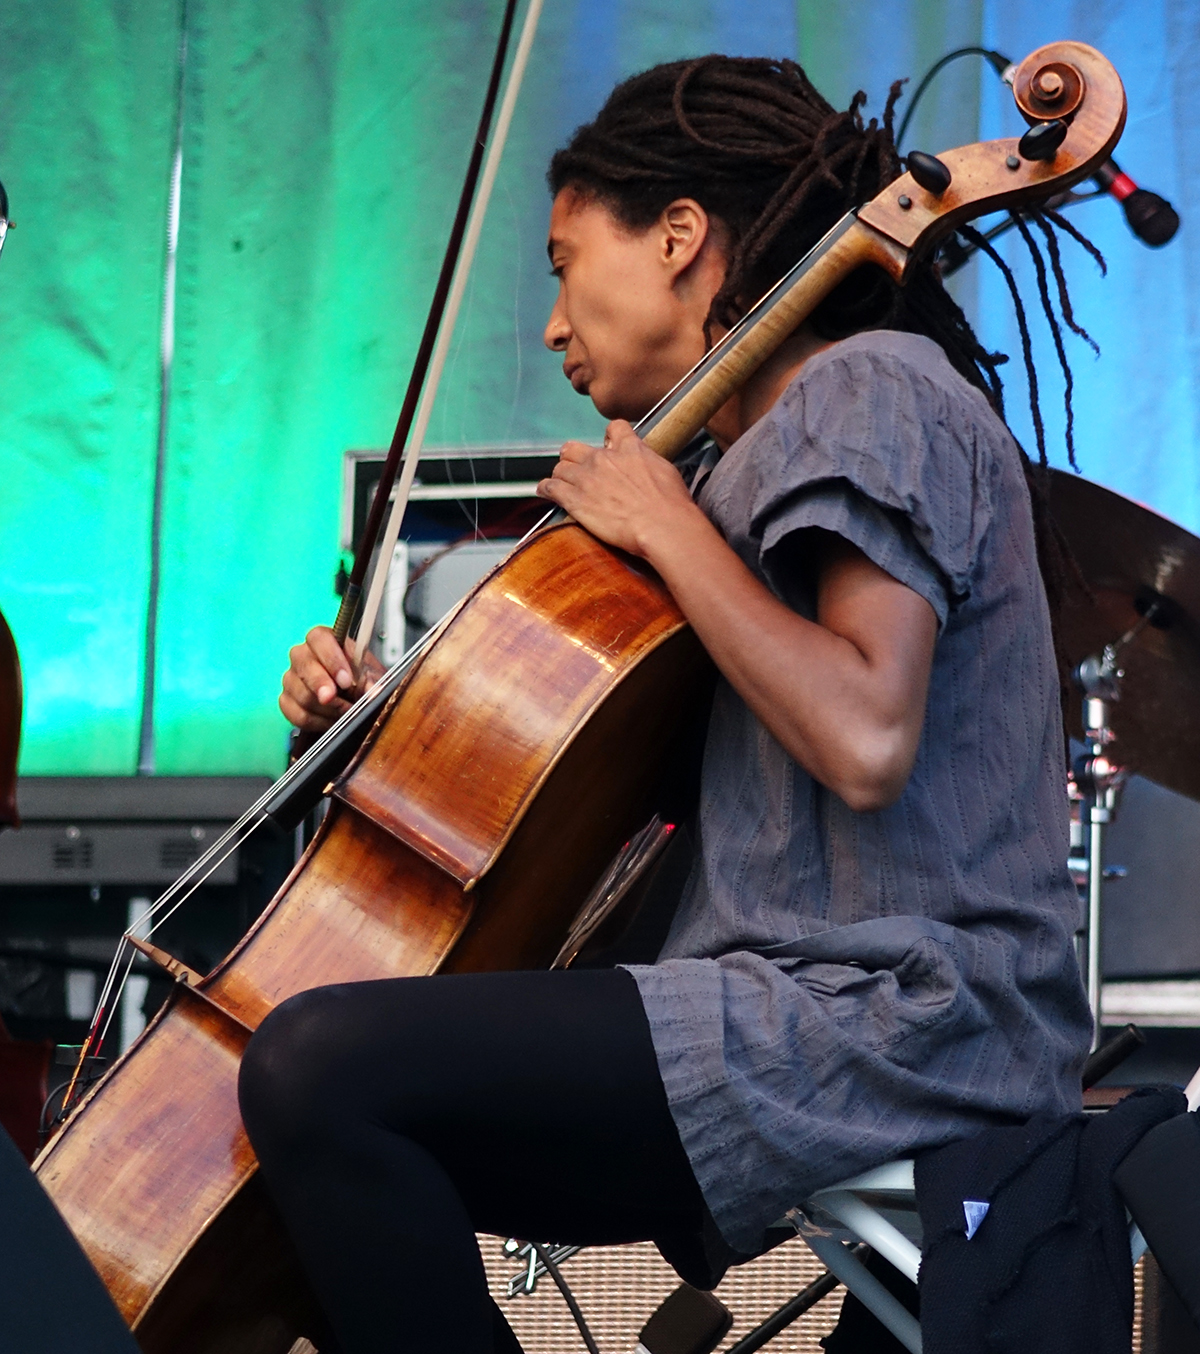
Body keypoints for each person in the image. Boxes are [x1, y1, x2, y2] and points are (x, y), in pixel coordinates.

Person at [245, 55, 1092, 1353]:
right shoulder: (736, 463)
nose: (550, 324)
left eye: (563, 260)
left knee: (321, 1072)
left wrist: (666, 525)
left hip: (885, 1022)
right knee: (314, 1141)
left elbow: (866, 735)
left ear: (683, 237)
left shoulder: (864, 389)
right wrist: (383, 725)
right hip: (786, 1020)